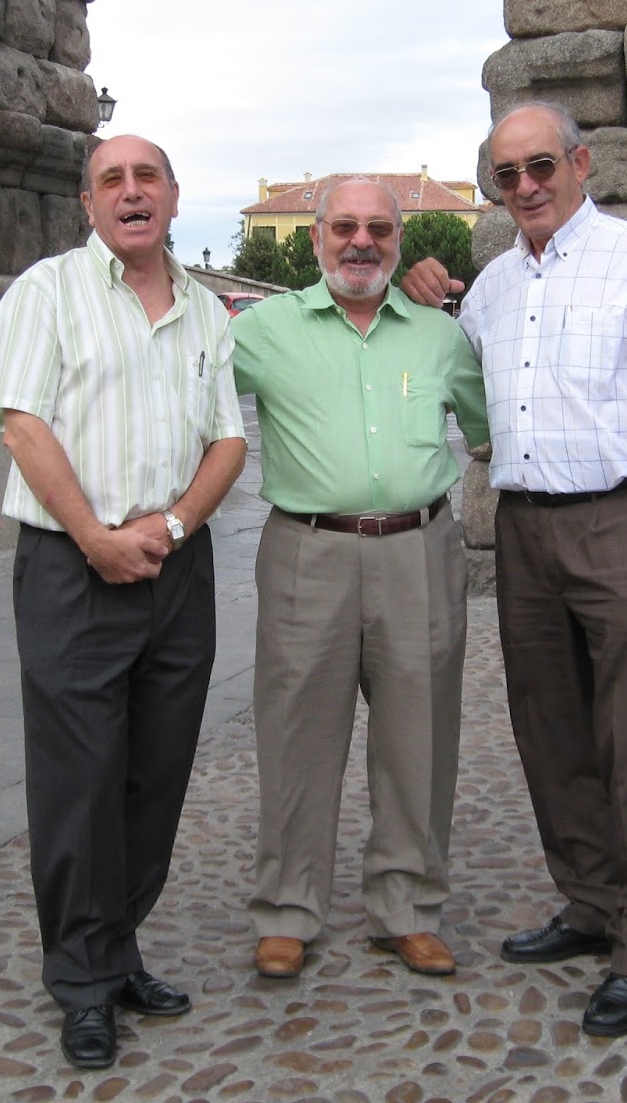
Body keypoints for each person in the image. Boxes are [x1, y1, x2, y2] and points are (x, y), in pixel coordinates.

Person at [400, 101, 627, 1037]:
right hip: (526, 533)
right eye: (507, 175)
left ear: (580, 164)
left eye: (541, 166)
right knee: (551, 733)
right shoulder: (493, 288)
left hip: (622, 523)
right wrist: (421, 290)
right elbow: (453, 375)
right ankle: (590, 902)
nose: (526, 186)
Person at [0, 135, 247, 1070]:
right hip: (72, 569)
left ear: (173, 197)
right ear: (87, 204)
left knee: (155, 774)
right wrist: (95, 535)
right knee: (80, 780)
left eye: (147, 178)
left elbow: (227, 441)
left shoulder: (207, 310)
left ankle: (117, 946)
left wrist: (170, 528)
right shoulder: (45, 292)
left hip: (176, 570)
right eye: (111, 180)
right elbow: (21, 424)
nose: (132, 193)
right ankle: (83, 980)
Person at [231, 178, 489, 981]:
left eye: (379, 227)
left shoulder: (441, 338)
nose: (361, 241)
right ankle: (287, 910)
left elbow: (488, 429)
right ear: (315, 238)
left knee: (420, 740)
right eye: (343, 226)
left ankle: (407, 910)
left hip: (420, 551)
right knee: (296, 737)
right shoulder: (260, 331)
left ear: (400, 241)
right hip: (307, 553)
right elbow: (180, 394)